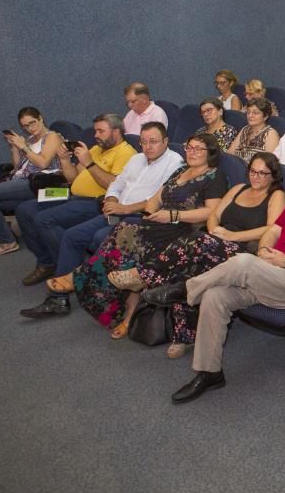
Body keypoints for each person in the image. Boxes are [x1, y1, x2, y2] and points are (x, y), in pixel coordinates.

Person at [146, 159, 285, 404]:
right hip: (271, 276)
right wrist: (265, 249)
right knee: (215, 296)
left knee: (243, 262)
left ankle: (184, 289)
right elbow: (275, 229)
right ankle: (209, 372)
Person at [20, 133, 228, 332]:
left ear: (210, 152)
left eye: (198, 149)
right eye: (189, 147)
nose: (191, 152)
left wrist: (172, 215)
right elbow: (156, 197)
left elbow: (210, 212)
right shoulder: (180, 171)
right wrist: (151, 211)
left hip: (182, 229)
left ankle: (81, 277)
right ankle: (97, 288)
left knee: (127, 232)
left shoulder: (214, 176)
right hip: (159, 222)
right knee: (123, 229)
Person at [109, 152, 285, 358]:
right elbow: (214, 215)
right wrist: (214, 231)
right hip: (215, 242)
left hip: (243, 254)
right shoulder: (239, 189)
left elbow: (271, 229)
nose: (256, 177)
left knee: (195, 242)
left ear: (273, 176)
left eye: (262, 173)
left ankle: (144, 275)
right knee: (185, 269)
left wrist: (232, 236)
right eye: (253, 171)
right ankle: (184, 335)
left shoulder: (277, 196)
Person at [50, 121, 184, 282]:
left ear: (166, 141)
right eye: (144, 142)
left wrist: (125, 209)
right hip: (116, 212)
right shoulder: (137, 159)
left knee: (100, 237)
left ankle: (93, 286)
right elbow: (117, 184)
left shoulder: (174, 162)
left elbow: (161, 198)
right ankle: (61, 294)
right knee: (71, 236)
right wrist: (111, 201)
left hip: (139, 218)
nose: (148, 146)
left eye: (153, 141)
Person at [14, 114, 137, 287]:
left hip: (92, 202)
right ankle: (46, 262)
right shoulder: (95, 149)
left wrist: (90, 163)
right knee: (24, 209)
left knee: (43, 219)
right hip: (68, 194)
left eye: (101, 131)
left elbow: (115, 185)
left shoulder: (126, 153)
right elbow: (73, 177)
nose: (96, 135)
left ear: (116, 132)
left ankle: (66, 270)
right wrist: (64, 160)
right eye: (95, 131)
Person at [0, 107, 63, 257]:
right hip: (19, 177)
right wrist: (14, 148)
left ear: (41, 118)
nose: (30, 128)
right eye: (25, 126)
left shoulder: (53, 137)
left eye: (32, 123)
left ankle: (7, 241)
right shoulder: (29, 139)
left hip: (40, 182)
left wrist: (24, 147)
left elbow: (43, 164)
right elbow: (17, 167)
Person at [225, 97, 280, 163]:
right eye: (248, 112)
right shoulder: (245, 129)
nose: (250, 115)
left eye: (255, 113)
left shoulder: (270, 134)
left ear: (265, 116)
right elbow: (229, 153)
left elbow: (269, 164)